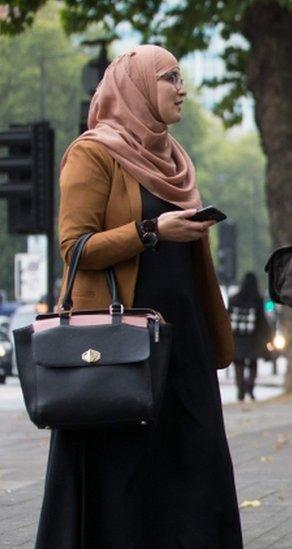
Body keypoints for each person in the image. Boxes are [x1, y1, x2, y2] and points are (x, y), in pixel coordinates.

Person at [39, 44, 242, 547]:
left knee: (195, 460)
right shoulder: (93, 152)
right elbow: (75, 248)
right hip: (121, 343)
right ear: (136, 87)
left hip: (182, 335)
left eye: (180, 77)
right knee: (126, 467)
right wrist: (151, 231)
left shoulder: (173, 159)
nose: (182, 88)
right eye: (170, 77)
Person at [229, 272, 272, 401]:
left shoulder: (234, 299)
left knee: (239, 364)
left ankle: (240, 390)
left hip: (237, 337)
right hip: (253, 338)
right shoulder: (258, 299)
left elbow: (227, 317)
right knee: (253, 364)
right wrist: (268, 338)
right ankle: (250, 388)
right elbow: (262, 321)